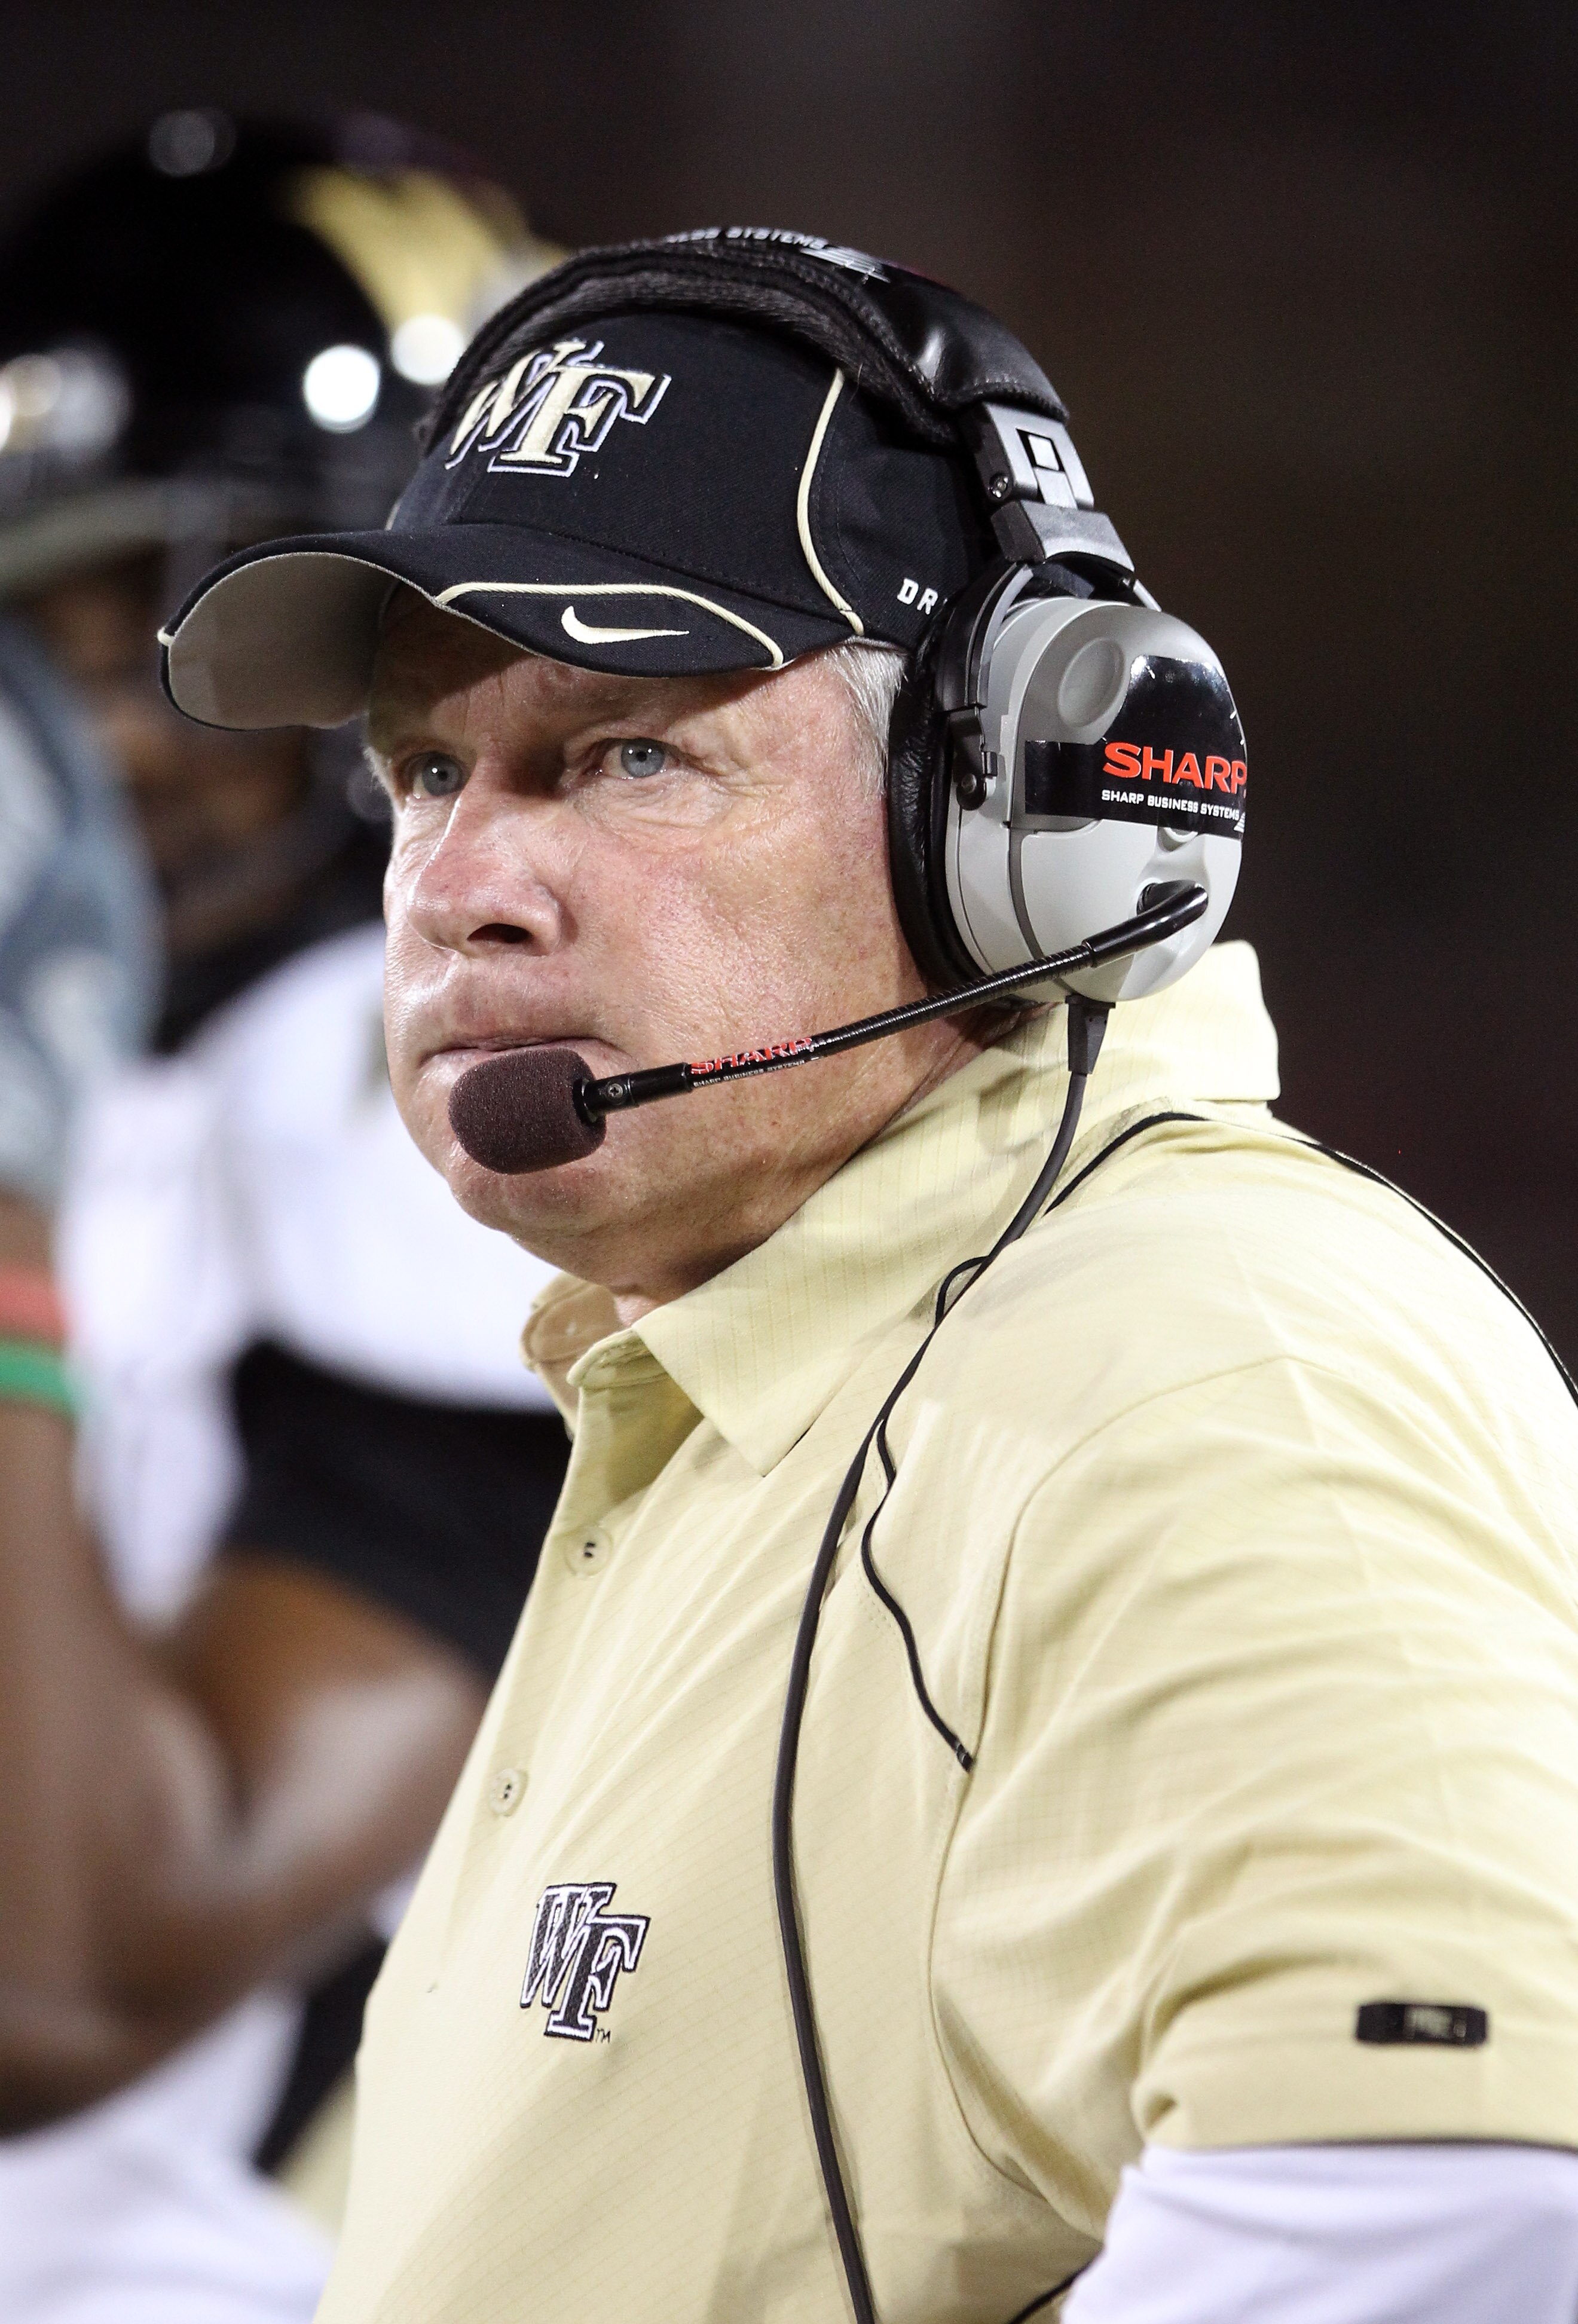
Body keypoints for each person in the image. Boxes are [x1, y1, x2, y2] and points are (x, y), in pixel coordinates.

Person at [158, 231, 1578, 2322]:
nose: (461, 889)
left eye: (627, 754)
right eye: (428, 772)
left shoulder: (1199, 1359)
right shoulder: (730, 1408)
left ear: (1010, 817)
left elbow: (1465, 2201)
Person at [0, 115, 570, 2321]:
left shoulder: (465, 1123)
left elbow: (58, 1980)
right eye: (33, 625)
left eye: (174, 626)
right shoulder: (121, 1071)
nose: (87, 741)